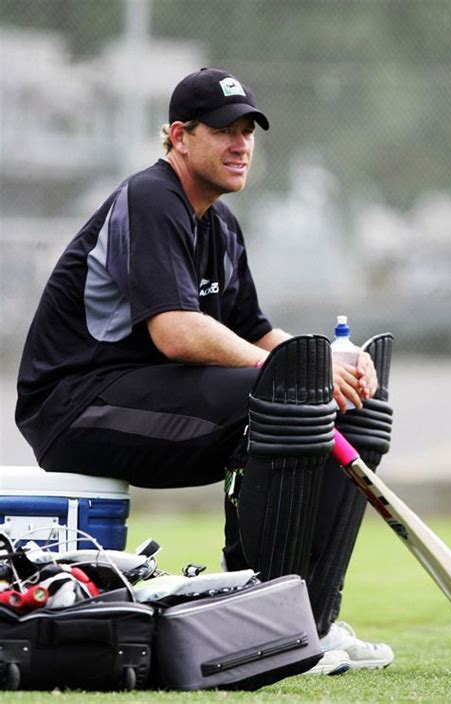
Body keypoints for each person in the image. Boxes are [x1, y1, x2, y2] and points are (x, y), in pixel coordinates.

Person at [16, 68, 394, 676]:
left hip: (148, 399)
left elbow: (256, 333)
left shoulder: (219, 224)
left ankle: (311, 618)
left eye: (248, 130)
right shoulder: (151, 196)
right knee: (284, 396)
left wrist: (328, 360)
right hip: (74, 406)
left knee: (356, 410)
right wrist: (298, 370)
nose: (241, 143)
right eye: (223, 130)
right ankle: (265, 621)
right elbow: (177, 332)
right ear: (179, 137)